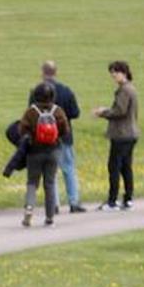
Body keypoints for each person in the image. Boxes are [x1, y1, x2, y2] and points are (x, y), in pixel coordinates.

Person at [26, 62, 86, 213]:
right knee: (69, 169)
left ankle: (54, 204)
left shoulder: (36, 92)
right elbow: (75, 113)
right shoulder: (65, 91)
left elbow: (31, 113)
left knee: (50, 174)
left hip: (43, 139)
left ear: (42, 72)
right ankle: (73, 201)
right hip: (64, 136)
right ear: (55, 72)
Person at [20, 81, 70, 227]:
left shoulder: (31, 111)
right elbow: (65, 131)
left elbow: (22, 130)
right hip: (53, 151)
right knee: (50, 184)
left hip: (34, 152)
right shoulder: (58, 111)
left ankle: (29, 207)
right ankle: (49, 218)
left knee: (32, 182)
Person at [93, 60, 139, 211]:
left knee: (114, 166)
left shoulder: (124, 90)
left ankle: (112, 200)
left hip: (122, 134)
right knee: (126, 167)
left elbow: (120, 111)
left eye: (115, 72)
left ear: (123, 72)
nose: (113, 75)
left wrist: (102, 113)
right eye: (112, 72)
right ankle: (128, 198)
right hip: (131, 133)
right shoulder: (131, 89)